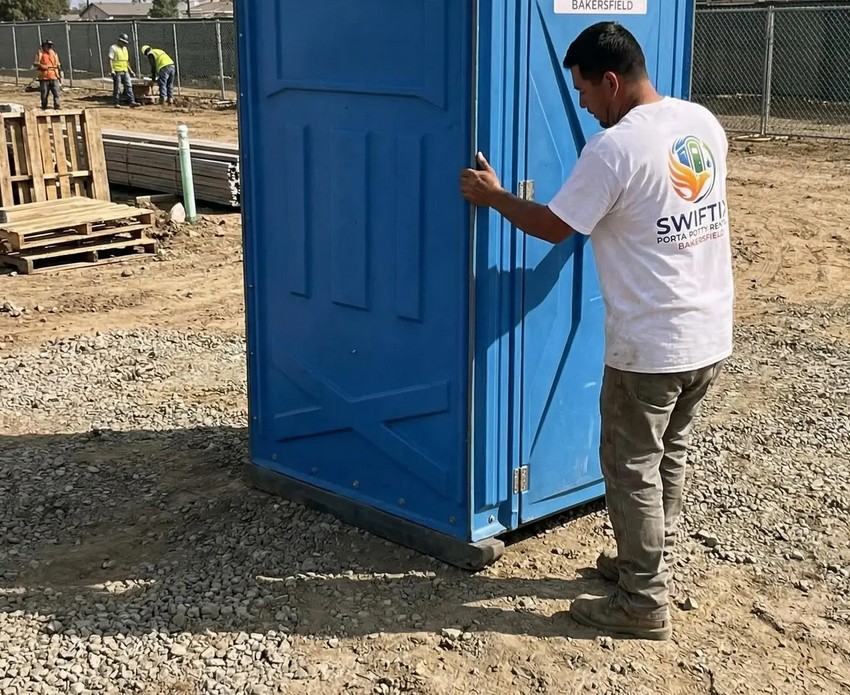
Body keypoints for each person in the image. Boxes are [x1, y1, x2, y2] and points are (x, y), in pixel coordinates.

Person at [459, 22, 733, 641]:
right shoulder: (702, 122)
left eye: (585, 92)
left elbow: (556, 225)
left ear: (611, 81)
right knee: (668, 458)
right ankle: (644, 565)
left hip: (652, 345)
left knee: (631, 466)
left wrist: (495, 195)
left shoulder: (614, 149)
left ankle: (642, 600)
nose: (583, 105)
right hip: (710, 332)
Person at [108, 33, 140, 108]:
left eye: (125, 43)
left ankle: (132, 101)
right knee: (117, 87)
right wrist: (112, 70)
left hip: (125, 70)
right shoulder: (113, 48)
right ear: (119, 41)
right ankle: (117, 102)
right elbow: (110, 59)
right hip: (117, 70)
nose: (124, 44)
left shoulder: (125, 49)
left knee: (129, 86)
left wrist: (131, 70)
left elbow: (126, 61)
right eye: (123, 42)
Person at [33, 39, 61, 110]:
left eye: (50, 46)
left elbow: (58, 65)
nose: (49, 47)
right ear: (43, 46)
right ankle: (44, 106)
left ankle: (57, 106)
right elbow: (35, 63)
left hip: (54, 76)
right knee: (44, 94)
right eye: (48, 46)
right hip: (44, 78)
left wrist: (59, 76)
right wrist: (41, 65)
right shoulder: (40, 53)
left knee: (56, 93)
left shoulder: (54, 53)